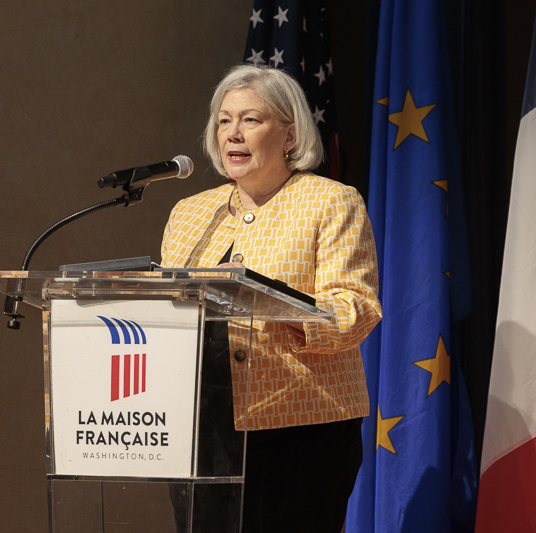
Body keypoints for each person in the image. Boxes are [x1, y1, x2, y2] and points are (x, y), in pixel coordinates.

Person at [161, 64, 382, 533]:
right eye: (224, 121)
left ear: (289, 133)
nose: (233, 134)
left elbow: (356, 307)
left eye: (250, 120)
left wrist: (266, 302)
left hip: (300, 425)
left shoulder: (331, 202)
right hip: (204, 420)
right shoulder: (189, 213)